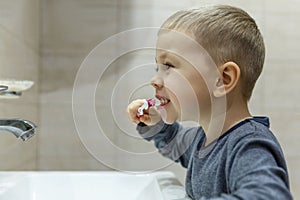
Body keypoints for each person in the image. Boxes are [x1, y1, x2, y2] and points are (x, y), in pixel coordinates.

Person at [127, 5, 292, 199]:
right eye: (157, 67)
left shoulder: (248, 145)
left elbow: (269, 196)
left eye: (169, 66)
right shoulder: (206, 138)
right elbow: (176, 143)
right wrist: (156, 125)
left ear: (223, 80)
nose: (154, 80)